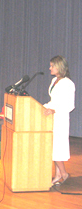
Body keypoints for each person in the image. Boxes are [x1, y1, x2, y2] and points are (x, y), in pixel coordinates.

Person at [43, 55, 75, 185]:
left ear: (59, 67)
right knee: (54, 147)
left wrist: (54, 110)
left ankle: (64, 174)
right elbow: (53, 101)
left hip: (60, 119)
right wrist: (44, 107)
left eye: (52, 66)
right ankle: (57, 175)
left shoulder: (67, 83)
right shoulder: (54, 81)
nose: (50, 68)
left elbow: (69, 105)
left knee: (56, 149)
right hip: (52, 118)